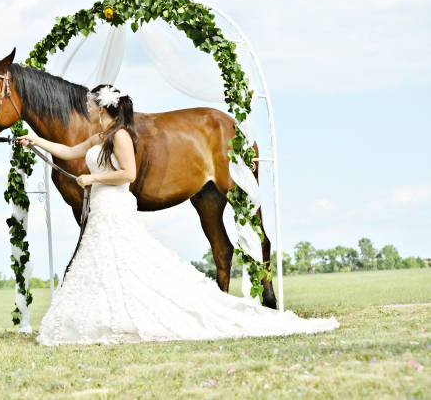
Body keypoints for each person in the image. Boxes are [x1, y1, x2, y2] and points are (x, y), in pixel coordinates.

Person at [17, 84, 339, 346]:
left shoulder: (120, 136)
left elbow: (128, 174)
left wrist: (93, 178)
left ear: (101, 108)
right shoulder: (100, 137)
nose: (85, 108)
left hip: (113, 206)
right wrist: (36, 142)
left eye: (89, 105)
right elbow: (70, 152)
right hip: (104, 210)